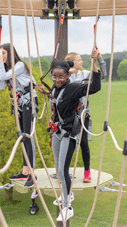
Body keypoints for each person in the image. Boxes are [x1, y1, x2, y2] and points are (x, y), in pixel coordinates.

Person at [38, 49, 101, 221]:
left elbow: (95, 87)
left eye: (61, 77)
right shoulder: (54, 88)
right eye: (55, 77)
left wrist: (94, 63)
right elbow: (56, 99)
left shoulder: (73, 88)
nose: (58, 80)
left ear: (67, 76)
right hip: (57, 131)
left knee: (62, 169)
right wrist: (46, 93)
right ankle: (67, 195)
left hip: (68, 133)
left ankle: (67, 206)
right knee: (59, 172)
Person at [0, 43, 39, 188]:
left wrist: (0, 64)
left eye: (4, 53)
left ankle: (32, 174)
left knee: (27, 136)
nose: (2, 56)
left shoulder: (19, 65)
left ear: (10, 53)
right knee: (22, 137)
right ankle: (25, 170)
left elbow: (5, 76)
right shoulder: (7, 69)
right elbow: (1, 85)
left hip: (29, 101)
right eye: (0, 54)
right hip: (19, 103)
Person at [64, 47, 107, 183]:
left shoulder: (84, 75)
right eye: (79, 60)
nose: (81, 62)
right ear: (71, 63)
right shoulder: (65, 77)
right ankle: (63, 172)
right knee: (68, 144)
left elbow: (102, 75)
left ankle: (87, 172)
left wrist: (98, 59)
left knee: (83, 144)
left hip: (83, 115)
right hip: (69, 116)